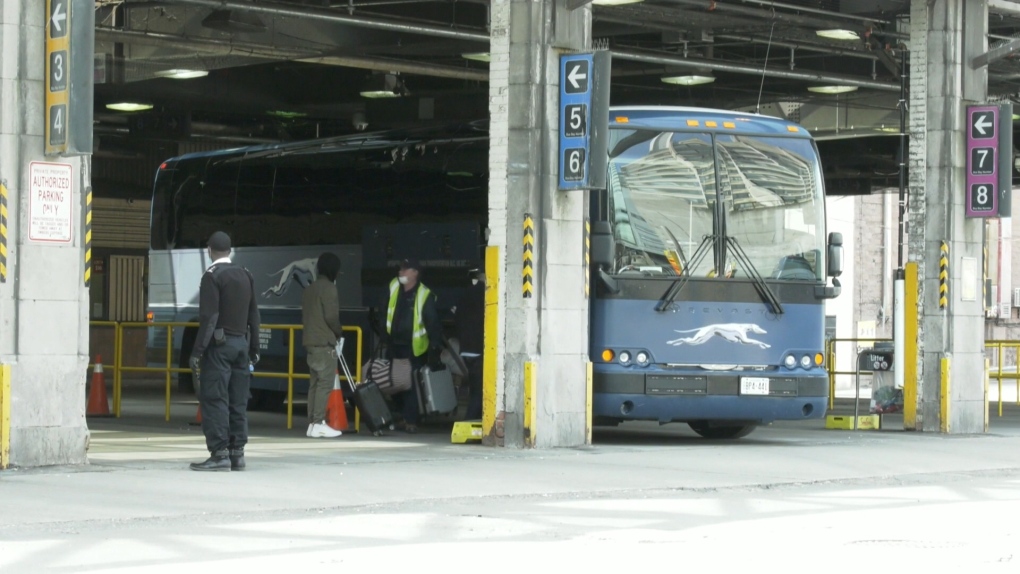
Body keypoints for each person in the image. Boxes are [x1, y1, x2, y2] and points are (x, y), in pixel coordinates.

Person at [189, 231, 261, 472]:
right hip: (242, 344)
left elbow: (210, 317)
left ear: (209, 250)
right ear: (229, 250)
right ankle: (236, 453)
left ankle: (219, 453)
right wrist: (255, 347)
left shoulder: (212, 276)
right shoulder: (246, 275)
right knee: (238, 400)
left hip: (219, 347)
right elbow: (254, 315)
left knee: (215, 398)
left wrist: (198, 351)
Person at [385, 258, 443, 433]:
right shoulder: (394, 286)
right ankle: (402, 417)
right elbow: (384, 309)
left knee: (409, 384)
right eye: (400, 269)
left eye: (405, 270)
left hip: (413, 348)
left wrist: (435, 347)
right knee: (395, 382)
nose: (401, 272)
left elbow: (432, 322)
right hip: (394, 344)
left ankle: (410, 420)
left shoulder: (424, 294)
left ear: (415, 273)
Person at [302, 253, 345, 438]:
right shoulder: (329, 288)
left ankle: (312, 423)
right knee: (324, 384)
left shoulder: (309, 288)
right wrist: (339, 332)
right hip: (324, 343)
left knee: (314, 384)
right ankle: (318, 423)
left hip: (310, 343)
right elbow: (331, 317)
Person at [454, 269, 485, 420]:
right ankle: (469, 421)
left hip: (466, 348)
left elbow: (457, 319)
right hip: (479, 348)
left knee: (474, 388)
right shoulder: (486, 294)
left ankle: (473, 419)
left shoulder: (464, 294)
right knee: (479, 391)